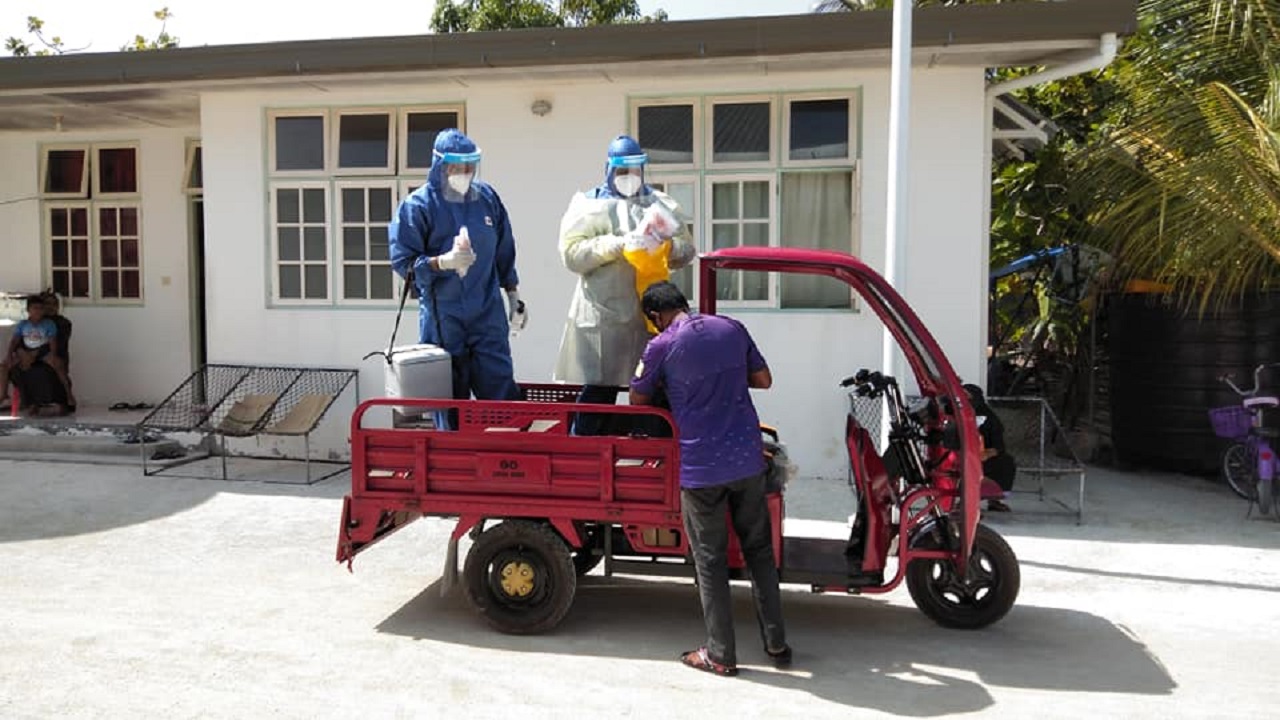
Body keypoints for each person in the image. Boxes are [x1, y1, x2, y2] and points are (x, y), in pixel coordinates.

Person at [630, 281, 789, 677]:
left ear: (655, 316)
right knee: (760, 554)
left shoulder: (660, 346)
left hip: (701, 471)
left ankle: (720, 655)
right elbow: (764, 379)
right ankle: (777, 643)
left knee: (710, 562)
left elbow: (638, 401)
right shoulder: (731, 328)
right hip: (747, 460)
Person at [555, 135, 696, 435]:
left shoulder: (659, 204)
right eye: (622, 172)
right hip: (602, 318)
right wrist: (616, 245)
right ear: (609, 169)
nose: (629, 178)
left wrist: (666, 246)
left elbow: (687, 250)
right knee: (599, 392)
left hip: (650, 318)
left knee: (652, 389)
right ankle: (583, 454)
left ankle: (652, 456)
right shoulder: (588, 205)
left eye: (634, 171)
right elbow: (571, 255)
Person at [389, 129, 526, 427]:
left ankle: (504, 461)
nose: (464, 173)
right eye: (456, 167)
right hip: (444, 317)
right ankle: (453, 464)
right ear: (439, 165)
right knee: (450, 400)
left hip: (487, 312)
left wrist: (513, 294)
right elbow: (404, 263)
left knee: (500, 391)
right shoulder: (418, 206)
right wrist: (442, 262)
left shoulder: (487, 199)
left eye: (470, 166)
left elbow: (504, 249)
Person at [1, 295, 74, 414]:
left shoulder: (62, 323)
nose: (50, 307)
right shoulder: (25, 323)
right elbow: (17, 341)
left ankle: (67, 397)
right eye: (47, 304)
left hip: (48, 356)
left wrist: (34, 354)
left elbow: (55, 343)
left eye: (53, 304)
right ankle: (20, 400)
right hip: (27, 357)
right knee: (14, 369)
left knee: (52, 371)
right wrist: (21, 352)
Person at [964, 383, 1017, 512]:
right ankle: (962, 503)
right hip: (961, 454)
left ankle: (994, 500)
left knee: (1005, 462)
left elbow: (998, 446)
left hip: (983, 455)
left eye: (968, 397)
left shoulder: (990, 419)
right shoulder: (958, 413)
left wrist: (985, 454)